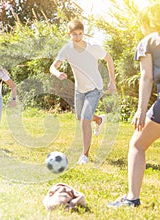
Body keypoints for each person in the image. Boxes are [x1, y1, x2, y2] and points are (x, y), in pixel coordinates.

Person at [107, 3, 160, 208]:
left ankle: (131, 198)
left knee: (137, 144)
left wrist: (140, 110)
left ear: (145, 22)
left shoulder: (147, 42)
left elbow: (146, 77)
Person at [50, 20, 116, 164]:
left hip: (95, 87)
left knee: (85, 120)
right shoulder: (67, 49)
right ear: (69, 34)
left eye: (80, 34)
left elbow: (109, 59)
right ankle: (99, 120)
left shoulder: (93, 48)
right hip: (80, 89)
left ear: (83, 33)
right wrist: (57, 73)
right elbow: (53, 66)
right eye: (74, 34)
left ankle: (84, 155)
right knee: (80, 117)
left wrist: (112, 81)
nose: (78, 37)